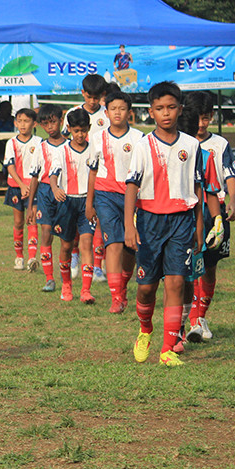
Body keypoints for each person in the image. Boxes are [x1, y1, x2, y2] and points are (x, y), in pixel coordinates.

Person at [125, 81, 205, 367]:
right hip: (149, 222)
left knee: (176, 281)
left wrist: (198, 226)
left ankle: (168, 348)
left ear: (180, 109)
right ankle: (145, 330)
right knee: (147, 287)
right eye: (160, 108)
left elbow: (197, 189)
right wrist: (129, 225)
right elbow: (132, 185)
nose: (166, 113)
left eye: (171, 107)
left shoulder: (191, 145)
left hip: (182, 221)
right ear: (151, 112)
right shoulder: (143, 145)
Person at [85, 91, 143, 314]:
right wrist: (90, 204)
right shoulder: (97, 137)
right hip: (105, 195)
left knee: (131, 248)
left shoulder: (139, 138)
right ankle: (116, 297)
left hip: (132, 198)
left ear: (130, 112)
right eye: (113, 109)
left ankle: (123, 287)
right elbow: (92, 172)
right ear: (106, 112)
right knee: (114, 244)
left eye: (122, 108)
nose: (117, 113)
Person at [185, 91, 235, 343]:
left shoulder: (219, 145)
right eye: (197, 119)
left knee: (210, 266)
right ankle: (193, 319)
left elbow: (227, 177)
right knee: (190, 263)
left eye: (206, 119)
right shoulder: (181, 143)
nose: (201, 124)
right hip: (186, 212)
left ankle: (199, 315)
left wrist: (233, 203)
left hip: (215, 210)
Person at [62, 74, 110, 282]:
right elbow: (65, 143)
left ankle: (97, 265)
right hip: (76, 176)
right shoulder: (72, 114)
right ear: (83, 93)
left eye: (96, 97)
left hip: (100, 173)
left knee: (97, 219)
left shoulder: (106, 116)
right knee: (74, 221)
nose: (92, 101)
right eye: (89, 97)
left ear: (102, 96)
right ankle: (74, 257)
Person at [49, 108, 97, 303]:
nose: (80, 135)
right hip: (67, 201)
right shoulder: (62, 151)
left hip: (87, 201)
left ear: (89, 129)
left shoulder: (94, 150)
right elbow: (53, 174)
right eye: (76, 130)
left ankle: (86, 290)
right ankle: (66, 284)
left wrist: (92, 203)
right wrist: (55, 188)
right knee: (67, 246)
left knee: (86, 244)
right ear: (68, 128)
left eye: (83, 130)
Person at [27, 105, 66, 292]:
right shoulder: (41, 148)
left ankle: (69, 273)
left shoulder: (71, 146)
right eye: (45, 124)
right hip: (44, 192)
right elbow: (34, 177)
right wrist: (30, 205)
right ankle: (50, 278)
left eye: (53, 122)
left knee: (68, 238)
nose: (50, 127)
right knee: (46, 233)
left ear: (61, 119)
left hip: (66, 192)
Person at [3, 108, 42, 269]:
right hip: (16, 187)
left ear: (34, 123)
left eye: (26, 121)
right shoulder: (11, 143)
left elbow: (41, 166)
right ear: (15, 123)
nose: (23, 124)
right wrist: (21, 185)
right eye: (20, 121)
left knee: (32, 219)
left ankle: (32, 258)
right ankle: (19, 256)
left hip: (33, 187)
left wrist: (31, 186)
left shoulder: (39, 142)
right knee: (18, 221)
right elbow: (10, 166)